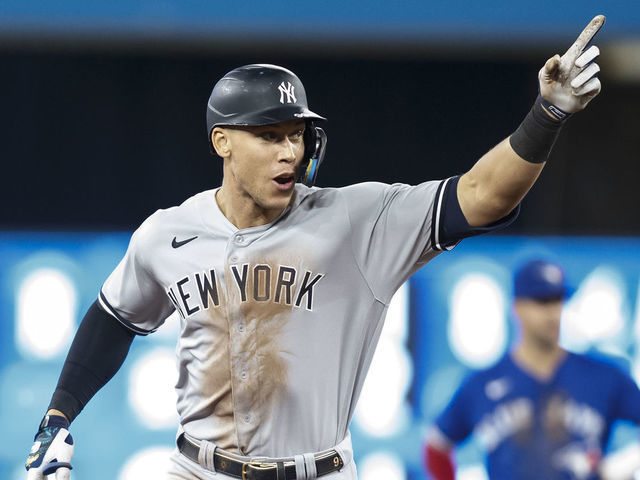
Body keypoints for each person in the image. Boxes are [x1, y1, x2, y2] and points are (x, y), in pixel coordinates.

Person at [25, 15, 605, 480]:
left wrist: (546, 115)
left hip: (318, 470)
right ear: (222, 142)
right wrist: (58, 415)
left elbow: (481, 196)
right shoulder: (167, 233)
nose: (290, 152)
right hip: (197, 468)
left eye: (297, 135)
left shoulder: (356, 220)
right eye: (269, 136)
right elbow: (114, 316)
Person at [424, 259, 640, 480]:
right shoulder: (483, 384)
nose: (552, 312)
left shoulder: (602, 376)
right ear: (517, 307)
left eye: (557, 300)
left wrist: (625, 463)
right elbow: (437, 446)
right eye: (541, 301)